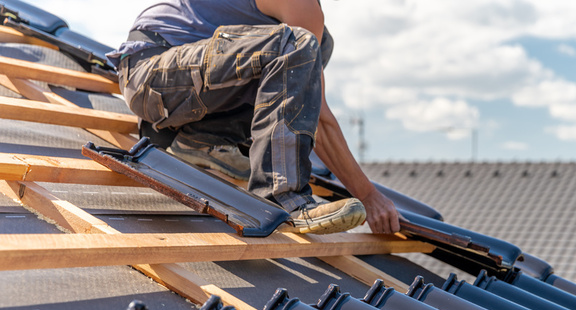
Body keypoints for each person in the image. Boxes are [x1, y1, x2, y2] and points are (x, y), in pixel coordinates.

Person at [108, 0, 400, 235]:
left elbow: (303, 99)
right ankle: (285, 196)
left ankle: (199, 140)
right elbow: (319, 118)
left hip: (175, 88)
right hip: (151, 74)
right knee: (300, 45)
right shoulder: (301, 6)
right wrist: (368, 195)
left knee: (316, 47)